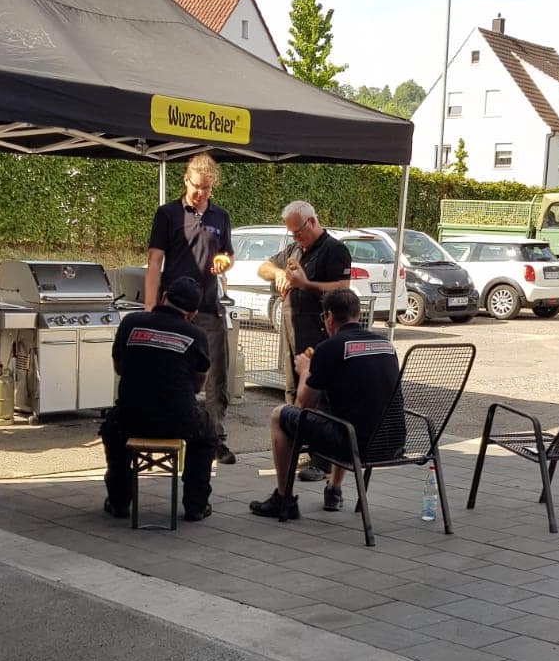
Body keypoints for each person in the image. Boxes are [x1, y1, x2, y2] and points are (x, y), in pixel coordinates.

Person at [249, 287, 402, 521]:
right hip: (392, 442)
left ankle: (283, 498)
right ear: (358, 313)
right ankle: (334, 489)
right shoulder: (386, 345)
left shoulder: (329, 348)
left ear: (329, 316)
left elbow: (303, 406)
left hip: (354, 445)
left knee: (280, 415)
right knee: (341, 410)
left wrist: (305, 371)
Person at [101, 276, 217, 522]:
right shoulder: (196, 335)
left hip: (130, 418)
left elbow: (119, 367)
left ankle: (119, 501)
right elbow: (198, 385)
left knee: (111, 429)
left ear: (164, 297)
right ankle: (196, 505)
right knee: (207, 432)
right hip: (179, 421)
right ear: (193, 313)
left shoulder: (131, 322)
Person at [145, 153, 236, 463]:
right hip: (172, 310)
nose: (201, 194)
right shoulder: (167, 214)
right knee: (169, 372)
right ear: (185, 180)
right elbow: (154, 261)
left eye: (207, 188)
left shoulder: (221, 216)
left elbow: (227, 255)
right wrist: (150, 306)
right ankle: (167, 432)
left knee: (214, 375)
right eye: (197, 187)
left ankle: (214, 438)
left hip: (209, 307)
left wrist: (224, 261)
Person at [257, 200, 351, 482]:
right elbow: (263, 267)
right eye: (292, 233)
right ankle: (294, 446)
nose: (296, 237)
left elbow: (343, 288)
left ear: (312, 221)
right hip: (291, 328)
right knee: (292, 389)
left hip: (318, 332)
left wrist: (306, 285)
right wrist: (279, 273)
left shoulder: (334, 250)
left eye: (299, 231)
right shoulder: (294, 250)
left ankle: (322, 460)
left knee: (318, 393)